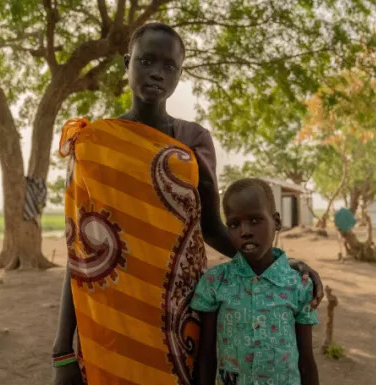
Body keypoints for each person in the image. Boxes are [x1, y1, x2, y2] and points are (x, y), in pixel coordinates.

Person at [52, 23, 324, 385]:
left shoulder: (195, 139)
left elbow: (211, 226)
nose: (156, 73)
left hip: (181, 310)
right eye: (147, 60)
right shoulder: (95, 143)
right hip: (113, 309)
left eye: (169, 66)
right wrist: (62, 352)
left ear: (180, 73)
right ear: (126, 62)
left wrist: (276, 265)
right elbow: (80, 250)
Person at [193, 178, 319, 385]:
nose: (245, 231)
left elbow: (306, 362)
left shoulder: (298, 285)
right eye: (234, 224)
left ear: (276, 222)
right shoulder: (215, 282)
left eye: (255, 220)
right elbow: (206, 357)